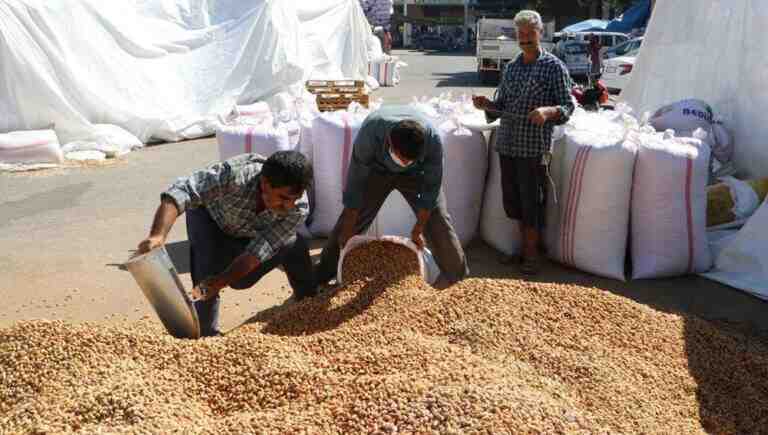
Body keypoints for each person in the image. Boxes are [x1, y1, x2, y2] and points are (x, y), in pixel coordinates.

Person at [137, 151, 315, 337]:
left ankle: (308, 299)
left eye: (294, 198)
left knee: (241, 279)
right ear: (265, 183)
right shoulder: (236, 176)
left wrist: (222, 281)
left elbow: (258, 251)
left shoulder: (297, 209)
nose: (288, 205)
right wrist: (158, 235)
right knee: (206, 269)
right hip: (210, 216)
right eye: (284, 198)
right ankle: (206, 334)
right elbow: (184, 190)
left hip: (250, 230)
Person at [313, 105, 469, 290]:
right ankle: (322, 274)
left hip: (415, 174)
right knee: (351, 221)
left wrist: (419, 228)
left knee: (438, 218)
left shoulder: (433, 141)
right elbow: (356, 183)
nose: (403, 163)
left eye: (409, 160)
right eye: (401, 157)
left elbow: (431, 190)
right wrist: (349, 227)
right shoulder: (371, 133)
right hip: (377, 171)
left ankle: (458, 279)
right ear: (389, 142)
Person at [471, 10, 575, 275]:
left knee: (532, 201)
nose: (526, 38)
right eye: (521, 34)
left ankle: (531, 254)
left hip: (533, 148)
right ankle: (524, 248)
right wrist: (488, 105)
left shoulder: (553, 67)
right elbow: (502, 107)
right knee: (514, 200)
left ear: (540, 34)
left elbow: (567, 105)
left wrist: (548, 112)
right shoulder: (512, 67)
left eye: (530, 33)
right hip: (507, 145)